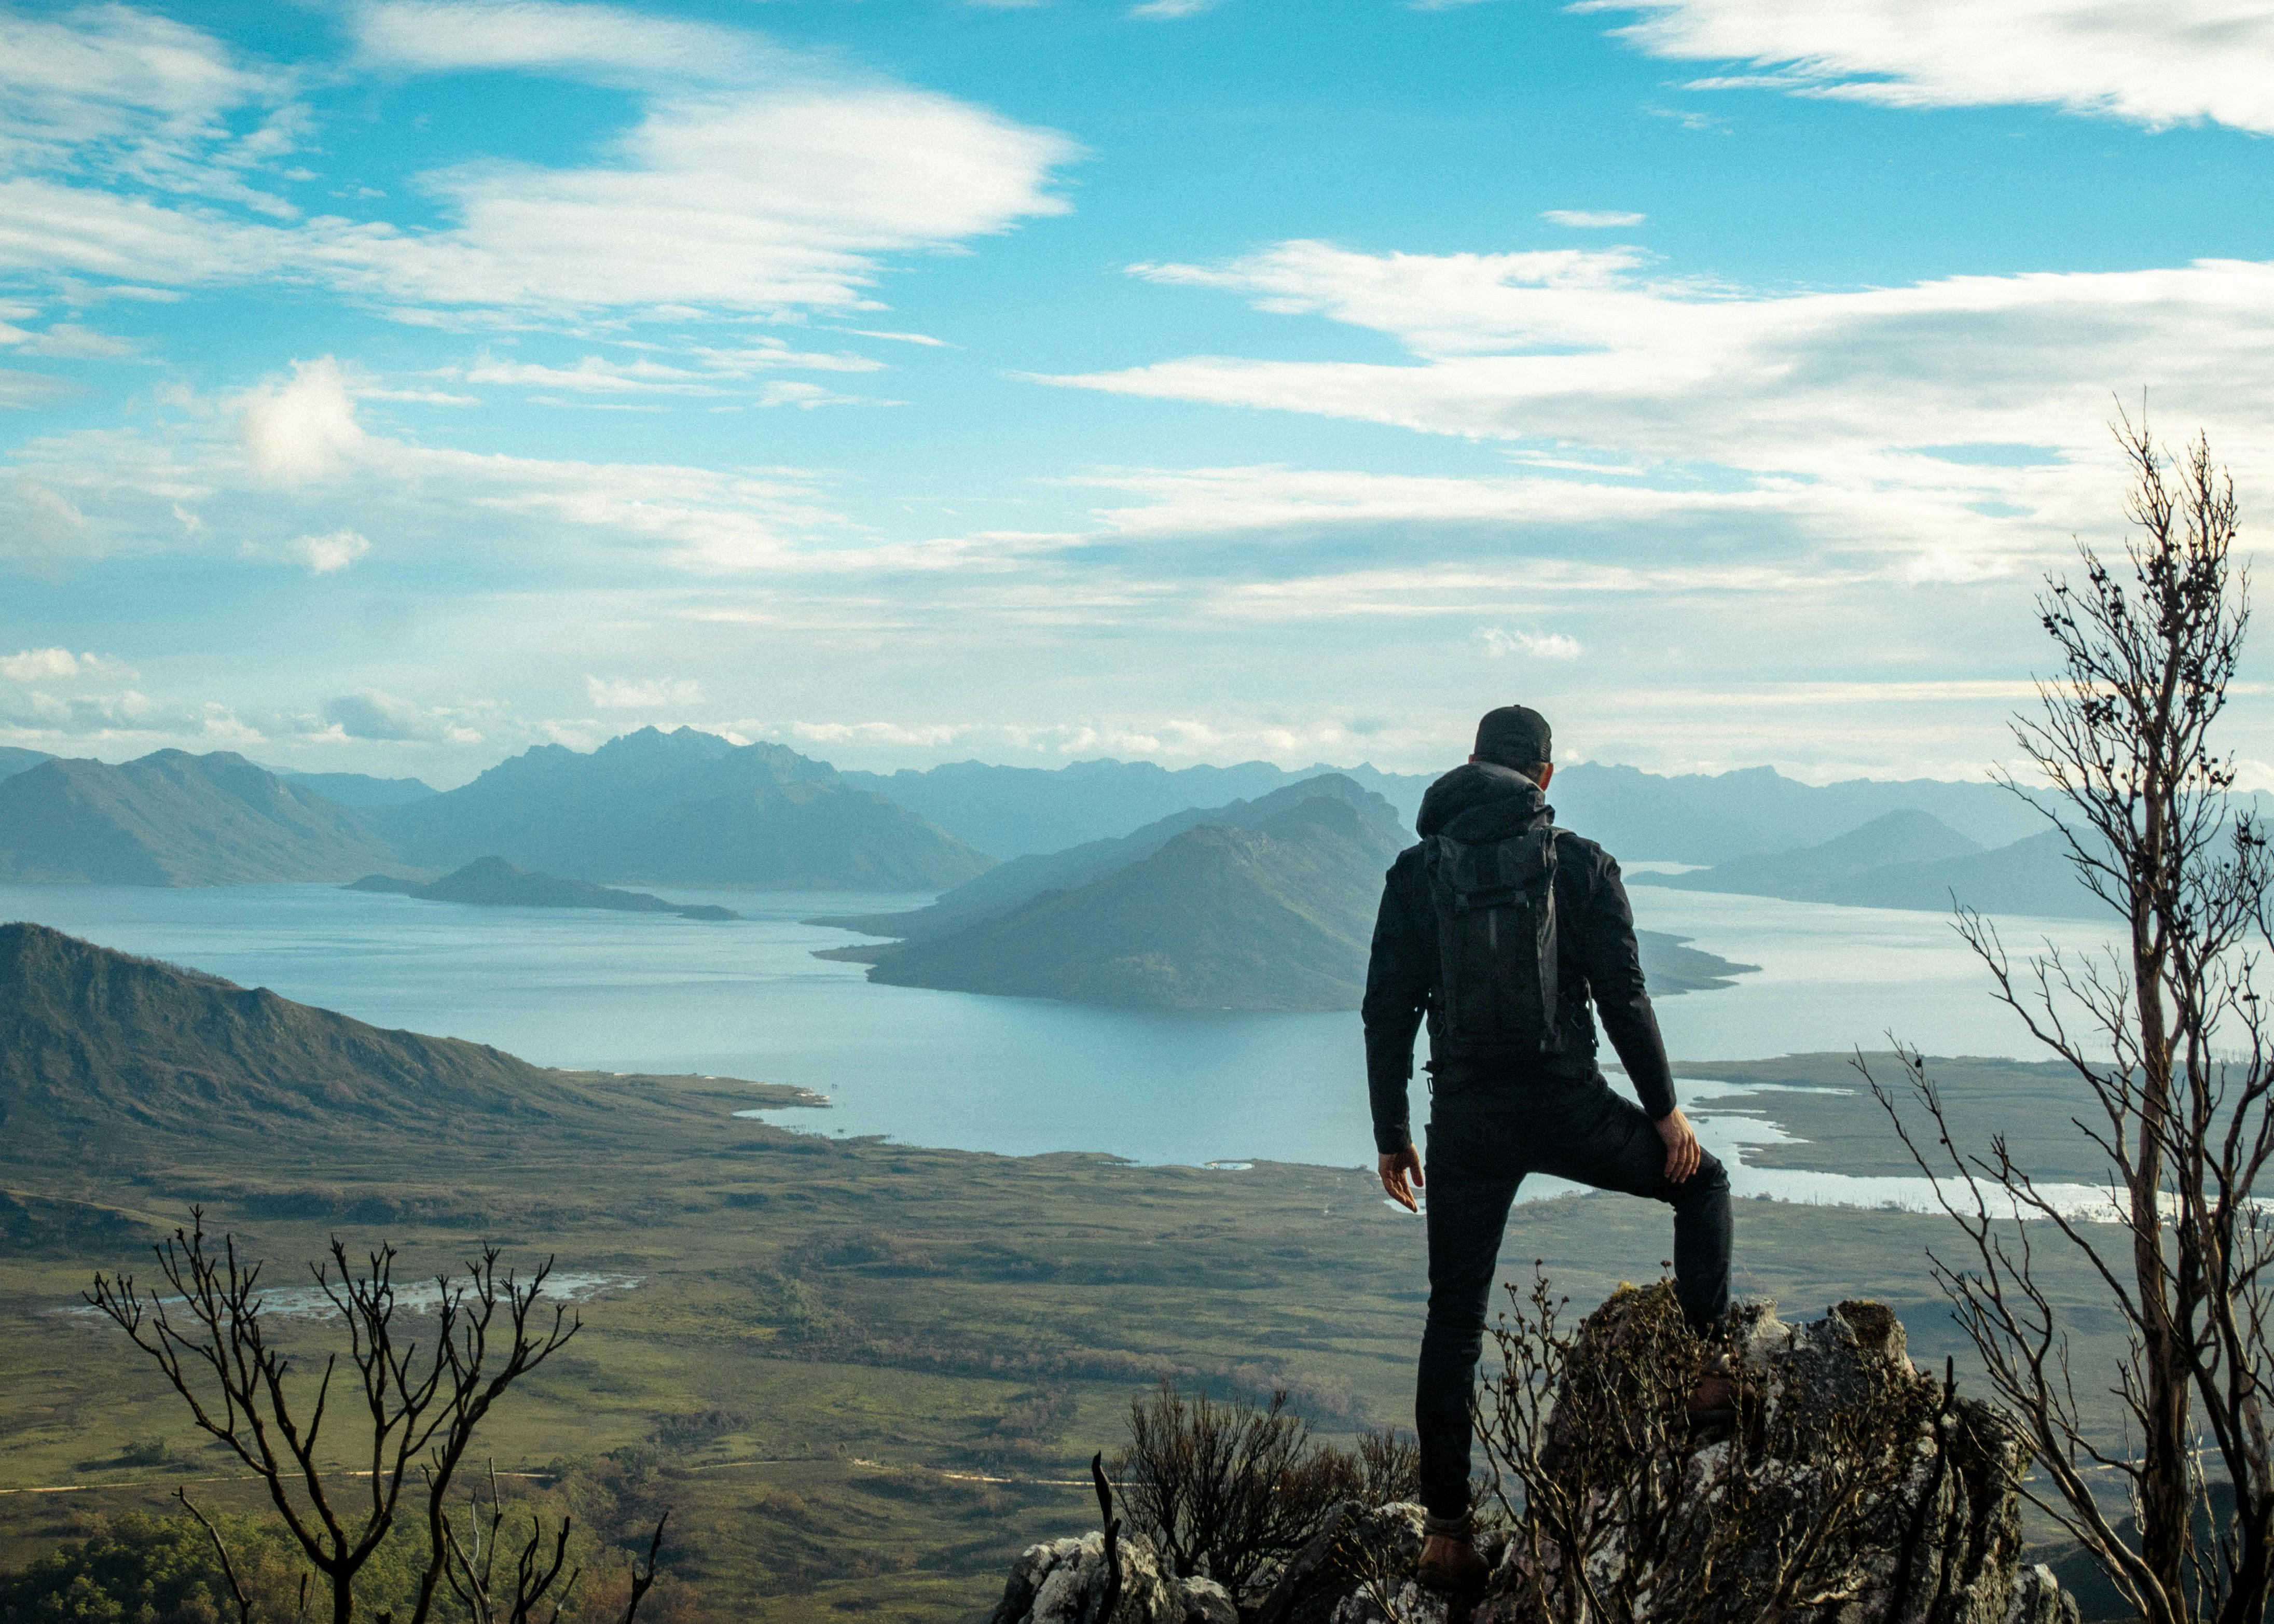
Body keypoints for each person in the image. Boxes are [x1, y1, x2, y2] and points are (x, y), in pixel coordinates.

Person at [1361, 704, 1733, 1594]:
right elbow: (1624, 996)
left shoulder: (1416, 872)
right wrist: (1666, 1113)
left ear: (1470, 762)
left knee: (1455, 1319)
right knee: (1703, 1184)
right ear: (1546, 776)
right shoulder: (1581, 864)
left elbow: (1386, 1011)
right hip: (1569, 1106)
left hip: (1468, 1124)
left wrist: (1392, 1136)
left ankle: (1447, 1538)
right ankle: (1708, 1381)